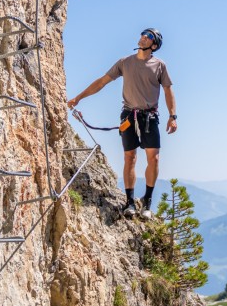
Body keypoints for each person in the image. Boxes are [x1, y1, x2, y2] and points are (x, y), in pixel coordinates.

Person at [67, 28, 177, 219]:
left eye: (149, 36)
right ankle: (130, 202)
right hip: (128, 115)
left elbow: (168, 90)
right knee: (130, 157)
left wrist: (173, 116)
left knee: (154, 158)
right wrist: (78, 98)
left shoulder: (160, 65)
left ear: (154, 45)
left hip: (150, 117)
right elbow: (102, 82)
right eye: (144, 34)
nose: (144, 37)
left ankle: (147, 202)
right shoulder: (125, 62)